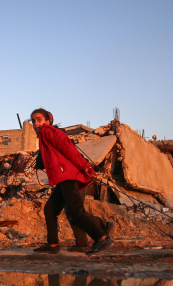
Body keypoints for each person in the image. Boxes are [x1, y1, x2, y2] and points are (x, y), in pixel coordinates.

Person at [31, 108, 114, 256]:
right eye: (33, 121)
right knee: (50, 209)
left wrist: (84, 167)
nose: (35, 123)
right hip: (62, 177)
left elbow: (70, 151)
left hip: (68, 175)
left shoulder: (50, 132)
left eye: (39, 120)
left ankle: (102, 238)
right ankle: (53, 244)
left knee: (75, 210)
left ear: (48, 120)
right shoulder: (44, 136)